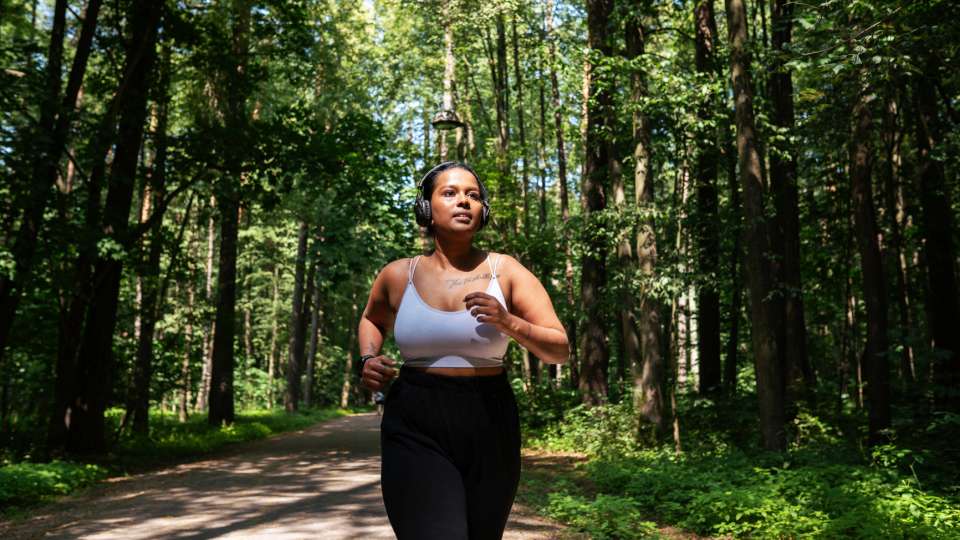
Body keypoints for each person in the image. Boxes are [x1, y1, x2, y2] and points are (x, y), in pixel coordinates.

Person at [357, 161, 569, 539]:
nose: (464, 202)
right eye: (450, 193)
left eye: (473, 196)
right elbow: (372, 320)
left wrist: (509, 323)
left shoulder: (507, 272)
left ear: (483, 212)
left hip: (490, 417)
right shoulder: (397, 275)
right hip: (415, 417)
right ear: (426, 210)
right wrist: (369, 357)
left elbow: (559, 349)